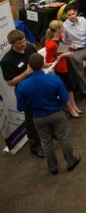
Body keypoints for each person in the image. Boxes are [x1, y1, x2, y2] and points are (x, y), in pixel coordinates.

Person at [16, 53, 81, 175]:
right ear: (42, 64)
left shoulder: (22, 85)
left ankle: (53, 167)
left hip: (38, 117)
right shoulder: (54, 79)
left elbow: (21, 107)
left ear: (29, 66)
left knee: (45, 142)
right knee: (63, 138)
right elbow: (64, 98)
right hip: (56, 113)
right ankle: (71, 161)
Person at [1, 29, 43, 157]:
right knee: (31, 120)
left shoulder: (30, 47)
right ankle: (35, 146)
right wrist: (25, 73)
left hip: (39, 85)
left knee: (44, 112)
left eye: (24, 41)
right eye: (19, 43)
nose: (23, 44)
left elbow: (39, 63)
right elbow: (10, 82)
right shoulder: (6, 61)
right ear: (12, 44)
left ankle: (47, 136)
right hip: (25, 93)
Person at [44, 20, 82, 118]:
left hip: (66, 64)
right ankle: (70, 108)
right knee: (65, 89)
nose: (64, 28)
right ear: (58, 29)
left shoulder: (60, 37)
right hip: (59, 69)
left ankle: (74, 106)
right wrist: (63, 55)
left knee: (70, 87)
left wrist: (69, 47)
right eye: (62, 27)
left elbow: (62, 48)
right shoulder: (50, 44)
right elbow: (49, 61)